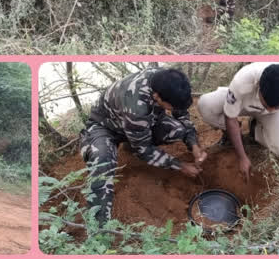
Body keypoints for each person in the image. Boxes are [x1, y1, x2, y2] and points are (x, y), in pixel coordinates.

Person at [79, 68, 206, 224]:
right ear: (157, 97)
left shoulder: (168, 82)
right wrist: (180, 165)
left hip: (139, 124)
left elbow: (181, 113)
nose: (172, 110)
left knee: (178, 130)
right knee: (103, 162)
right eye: (170, 107)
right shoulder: (136, 107)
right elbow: (144, 150)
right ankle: (98, 226)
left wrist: (193, 144)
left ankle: (131, 143)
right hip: (106, 127)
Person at [197, 62, 279, 183]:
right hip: (243, 102)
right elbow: (230, 117)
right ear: (259, 85)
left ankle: (254, 128)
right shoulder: (243, 79)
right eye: (267, 104)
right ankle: (231, 134)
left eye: (275, 106)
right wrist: (242, 157)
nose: (269, 108)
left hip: (272, 116)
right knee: (205, 105)